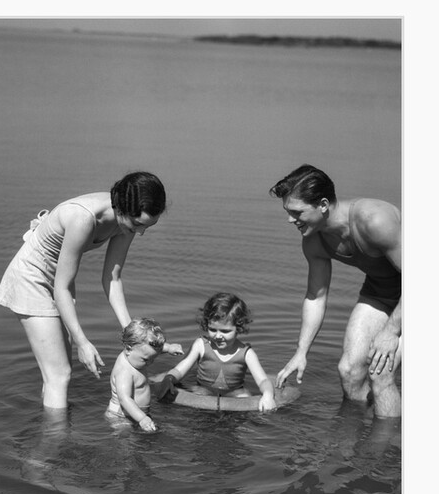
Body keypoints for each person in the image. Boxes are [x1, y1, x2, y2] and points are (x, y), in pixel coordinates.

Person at [0, 171, 181, 409]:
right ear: (123, 208)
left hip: (59, 281)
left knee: (58, 371)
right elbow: (61, 287)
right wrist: (83, 342)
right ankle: (56, 442)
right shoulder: (83, 218)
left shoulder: (126, 222)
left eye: (147, 226)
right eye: (138, 224)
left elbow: (112, 278)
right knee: (59, 375)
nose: (140, 232)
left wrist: (131, 331)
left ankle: (51, 432)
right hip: (32, 279)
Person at [269, 164, 401, 418]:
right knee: (350, 372)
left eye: (297, 212)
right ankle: (357, 436)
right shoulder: (313, 240)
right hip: (382, 291)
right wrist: (301, 352)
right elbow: (315, 297)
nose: (289, 219)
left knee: (379, 372)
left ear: (323, 205)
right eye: (287, 211)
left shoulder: (374, 219)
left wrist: (391, 331)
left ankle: (383, 452)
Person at [154, 292, 277, 412]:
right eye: (213, 329)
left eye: (225, 331)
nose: (218, 336)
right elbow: (180, 370)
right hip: (203, 391)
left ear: (238, 328)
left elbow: (262, 380)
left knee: (245, 398)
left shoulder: (247, 353)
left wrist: (268, 394)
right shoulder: (201, 345)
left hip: (236, 394)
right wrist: (169, 379)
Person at [106, 318, 180, 432]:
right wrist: (142, 418)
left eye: (153, 358)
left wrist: (169, 348)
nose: (150, 363)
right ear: (128, 349)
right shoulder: (124, 371)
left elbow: (154, 349)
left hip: (138, 414)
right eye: (146, 360)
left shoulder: (138, 353)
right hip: (122, 417)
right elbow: (124, 399)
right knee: (128, 444)